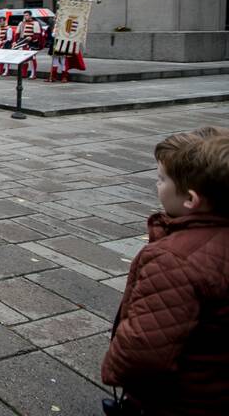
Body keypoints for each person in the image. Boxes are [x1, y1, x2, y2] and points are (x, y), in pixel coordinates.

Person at [101, 127, 229, 415]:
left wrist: (116, 368)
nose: (157, 185)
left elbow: (143, 350)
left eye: (161, 179)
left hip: (179, 399)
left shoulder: (172, 260)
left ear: (191, 200)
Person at [16, 10, 43, 79]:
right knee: (23, 59)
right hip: (23, 42)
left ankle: (33, 74)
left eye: (27, 15)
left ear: (30, 16)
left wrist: (31, 37)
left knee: (32, 59)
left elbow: (37, 34)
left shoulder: (35, 23)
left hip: (32, 43)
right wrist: (15, 41)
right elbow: (17, 33)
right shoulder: (21, 23)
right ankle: (24, 73)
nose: (25, 16)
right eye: (24, 15)